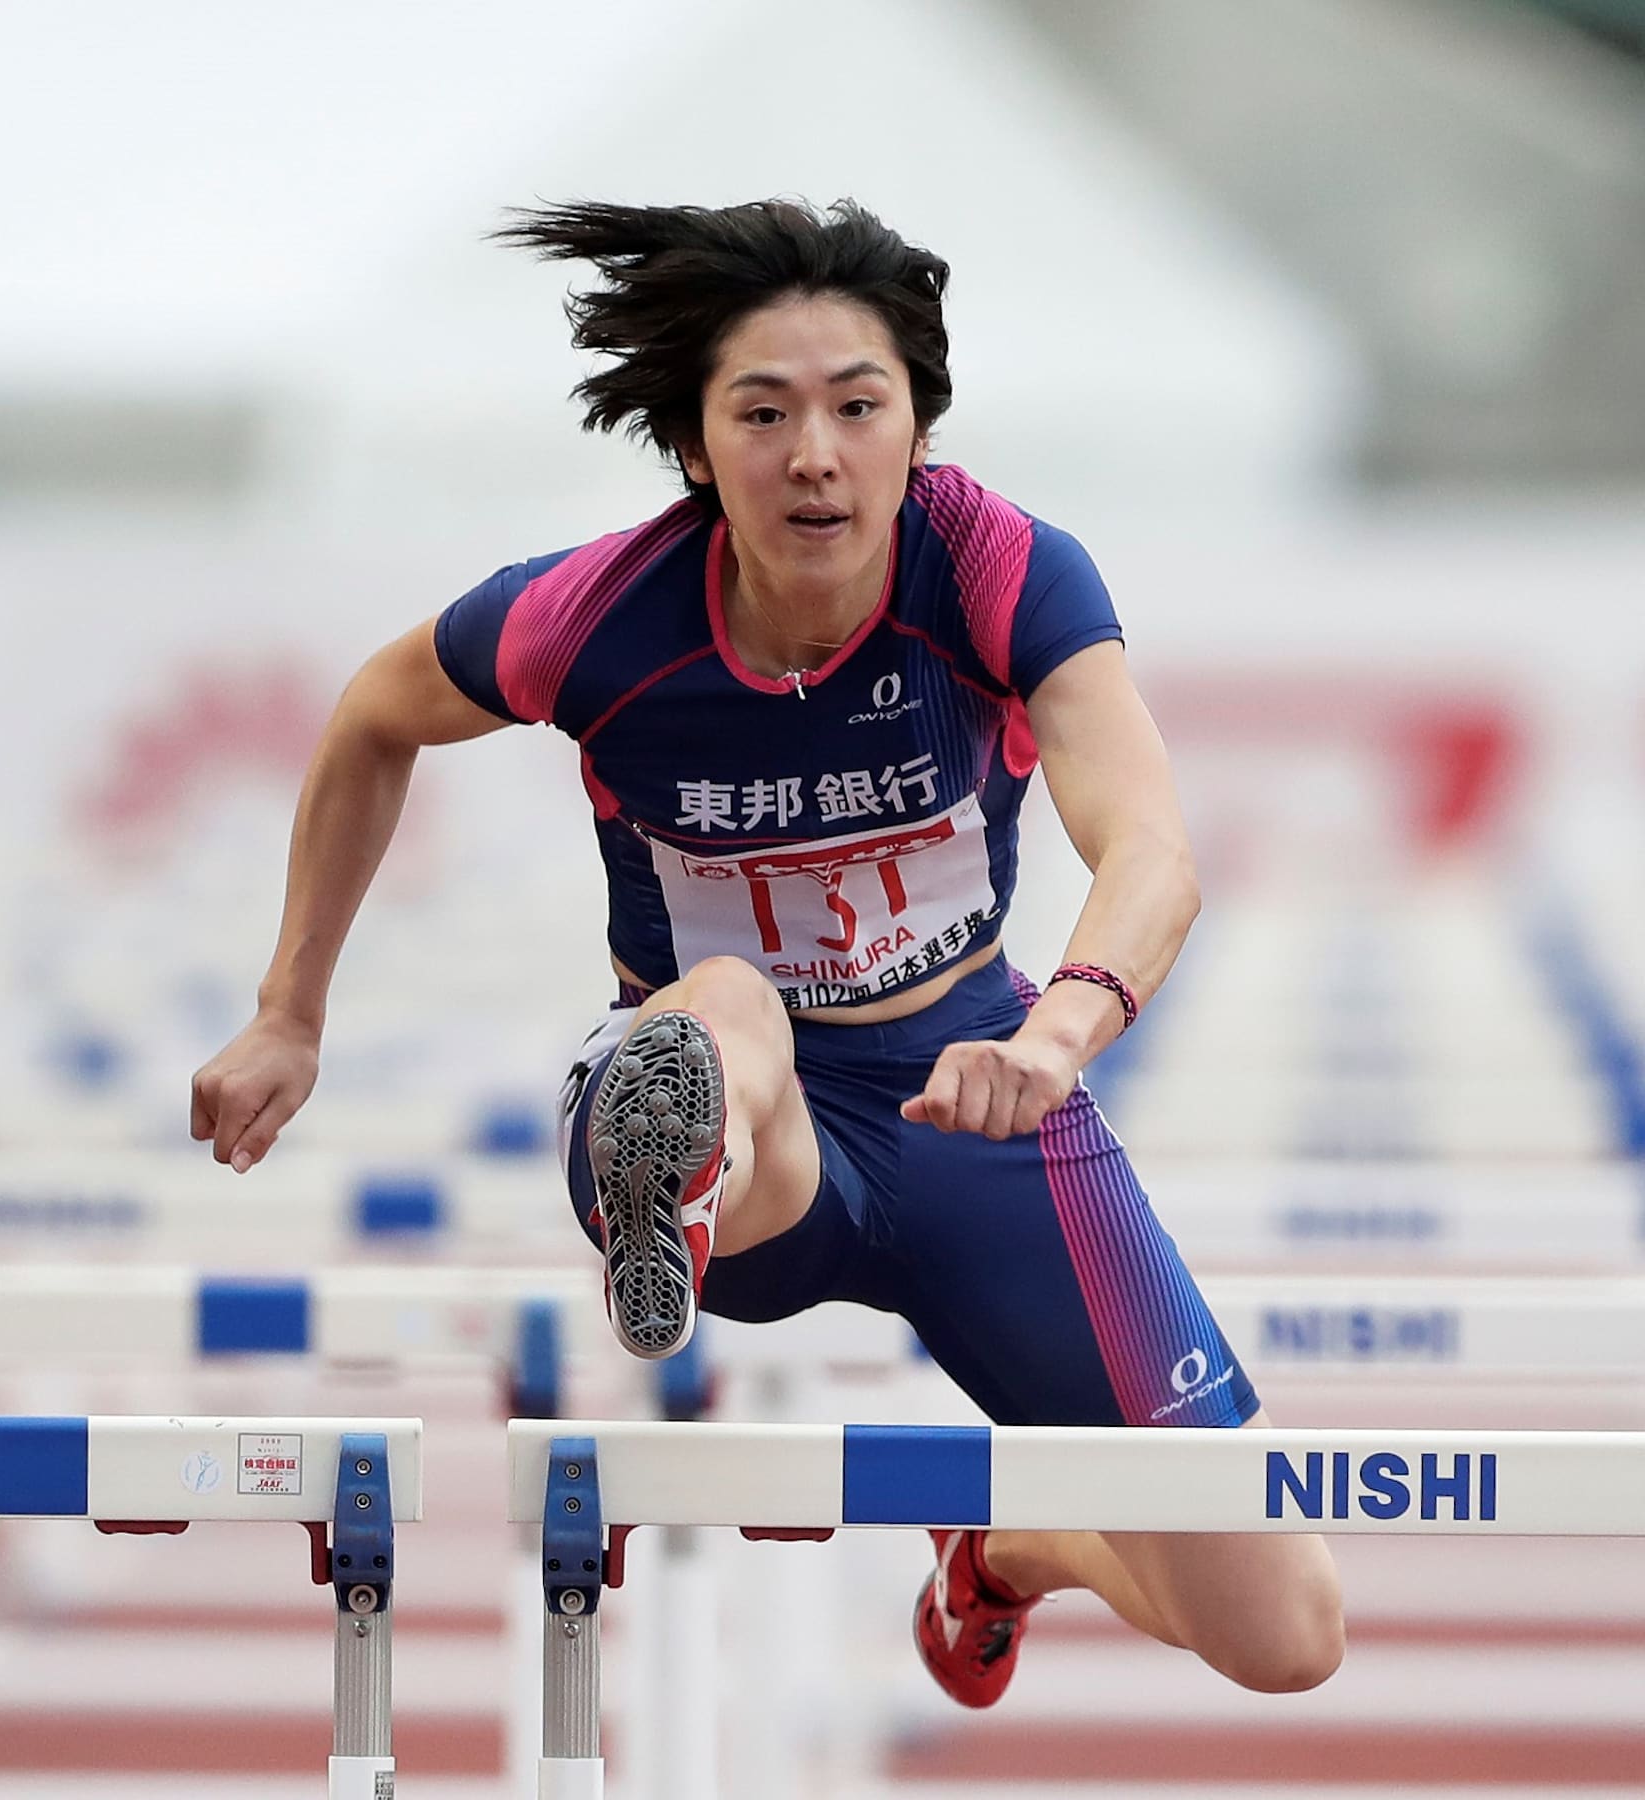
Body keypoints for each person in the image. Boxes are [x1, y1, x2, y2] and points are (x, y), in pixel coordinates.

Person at [187, 198, 1344, 1706]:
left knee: (1285, 1636)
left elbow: (1151, 852)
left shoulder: (1001, 573)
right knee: (727, 1005)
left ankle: (1003, 1549)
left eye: (859, 407)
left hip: (977, 1093)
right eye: (765, 412)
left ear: (917, 426)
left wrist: (1054, 1038)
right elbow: (374, 715)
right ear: (692, 446)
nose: (816, 453)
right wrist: (290, 1010)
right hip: (755, 1143)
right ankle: (672, 1151)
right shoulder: (591, 617)